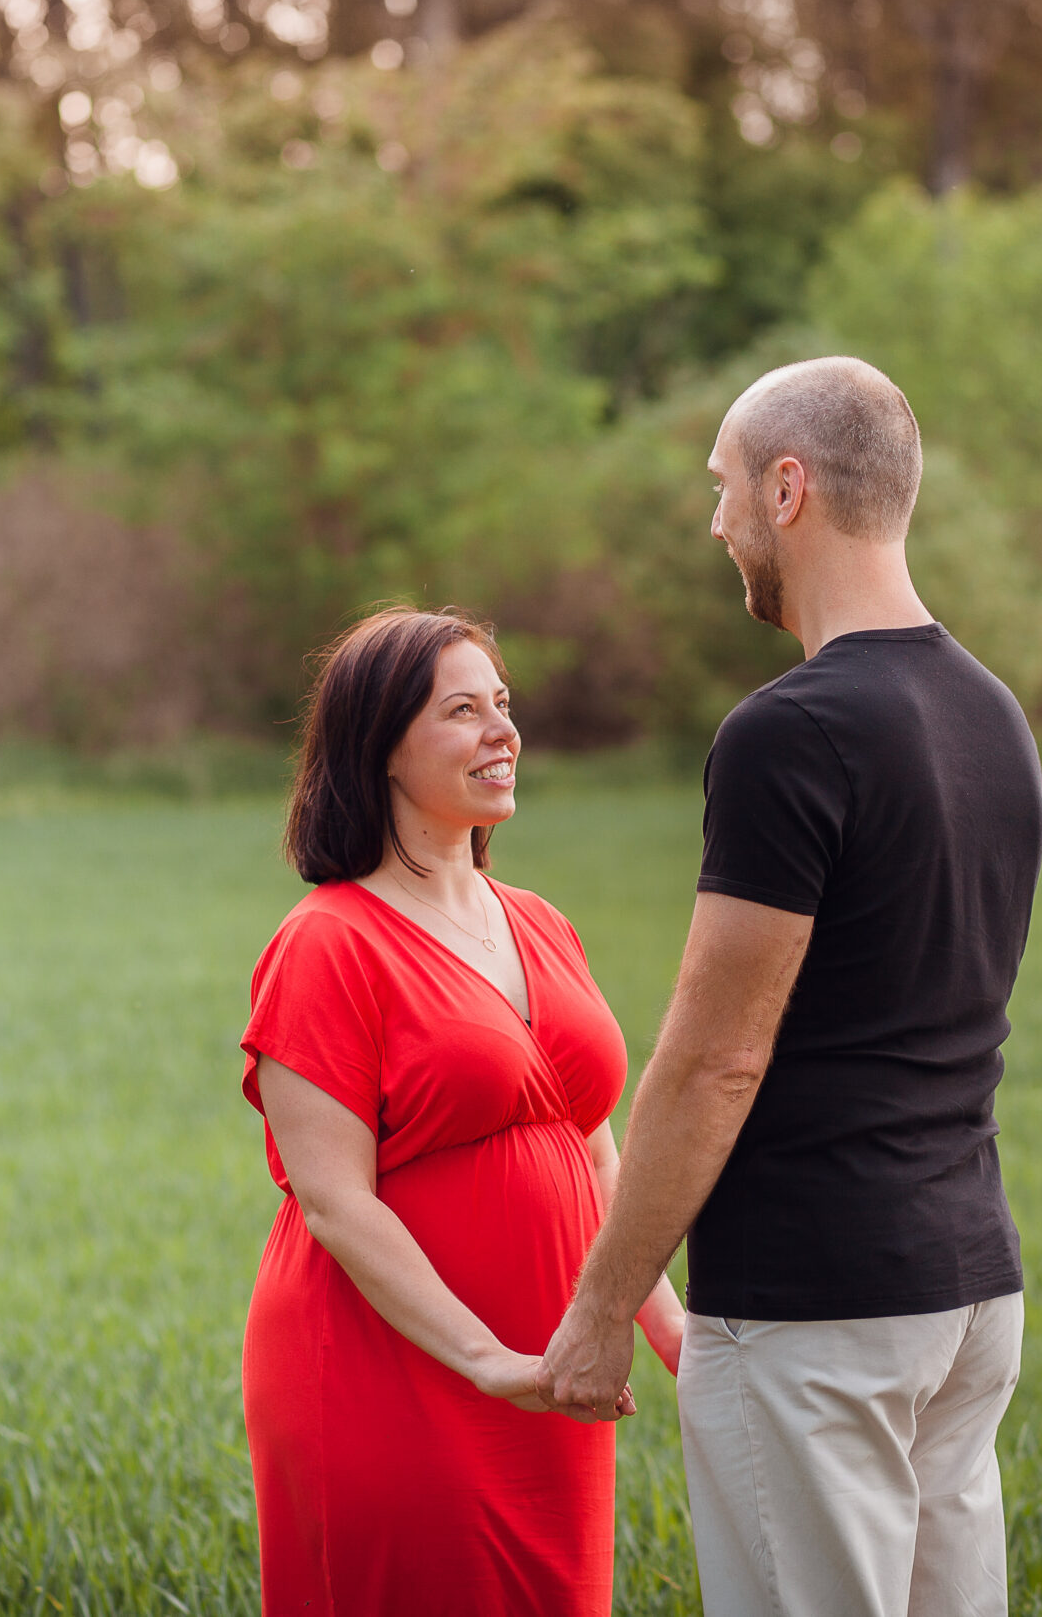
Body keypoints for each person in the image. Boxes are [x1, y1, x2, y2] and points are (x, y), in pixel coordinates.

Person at [539, 357, 1042, 1617]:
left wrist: (603, 1308)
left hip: (814, 1310)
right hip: (966, 1292)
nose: (715, 522)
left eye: (722, 487)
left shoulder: (790, 732)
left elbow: (716, 1057)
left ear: (787, 488)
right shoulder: (992, 713)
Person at [238, 605, 689, 1615]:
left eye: (504, 704)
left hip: (552, 1374)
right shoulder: (326, 943)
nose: (504, 732)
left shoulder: (540, 922)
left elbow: (593, 1152)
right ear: (382, 747)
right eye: (463, 711)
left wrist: (669, 1332)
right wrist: (489, 1361)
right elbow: (335, 1201)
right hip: (391, 1372)